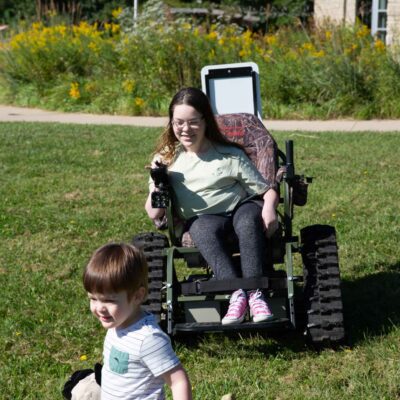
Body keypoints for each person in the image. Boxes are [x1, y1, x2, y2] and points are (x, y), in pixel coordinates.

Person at [145, 87, 279, 326]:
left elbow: (266, 190)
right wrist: (158, 181)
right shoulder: (166, 158)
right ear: (171, 123)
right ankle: (237, 294)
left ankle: (255, 294)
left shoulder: (229, 154)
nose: (185, 130)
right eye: (178, 123)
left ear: (206, 121)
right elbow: (154, 214)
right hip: (204, 218)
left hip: (241, 207)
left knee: (249, 219)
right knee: (201, 230)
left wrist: (269, 207)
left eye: (193, 122)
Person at [83, 242, 192, 400]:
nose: (99, 308)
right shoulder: (117, 323)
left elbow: (178, 381)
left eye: (109, 301)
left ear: (137, 296)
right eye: (93, 298)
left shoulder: (148, 339)